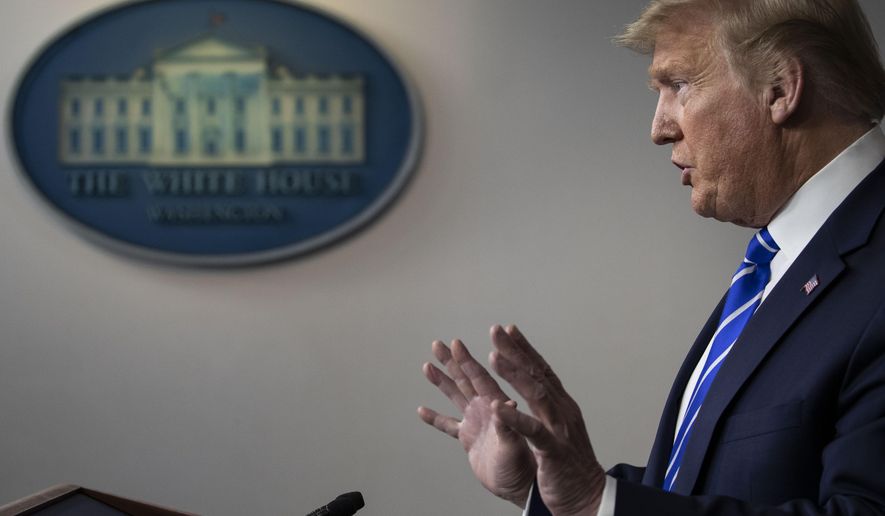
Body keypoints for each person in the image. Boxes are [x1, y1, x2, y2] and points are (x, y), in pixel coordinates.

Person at [418, 0, 885, 515]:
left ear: (780, 88)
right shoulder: (779, 263)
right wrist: (548, 491)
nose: (659, 128)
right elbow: (707, 489)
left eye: (678, 85)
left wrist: (594, 500)